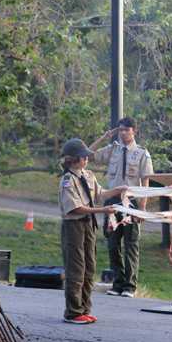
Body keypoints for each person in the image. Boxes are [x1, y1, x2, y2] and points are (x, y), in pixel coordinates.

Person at [59, 138, 127, 324]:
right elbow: (75, 208)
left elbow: (100, 194)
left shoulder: (88, 175)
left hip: (89, 225)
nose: (87, 159)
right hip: (74, 226)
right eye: (83, 157)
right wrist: (102, 210)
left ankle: (84, 308)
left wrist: (118, 190)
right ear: (73, 159)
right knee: (76, 268)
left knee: (90, 266)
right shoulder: (67, 180)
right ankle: (73, 312)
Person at [89, 117, 153, 298]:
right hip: (112, 201)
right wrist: (104, 137)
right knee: (113, 243)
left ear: (134, 131)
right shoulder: (113, 150)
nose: (123, 133)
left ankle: (129, 286)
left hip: (131, 202)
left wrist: (142, 208)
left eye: (126, 129)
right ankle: (117, 283)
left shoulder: (142, 153)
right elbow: (88, 154)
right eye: (120, 130)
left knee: (131, 244)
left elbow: (145, 181)